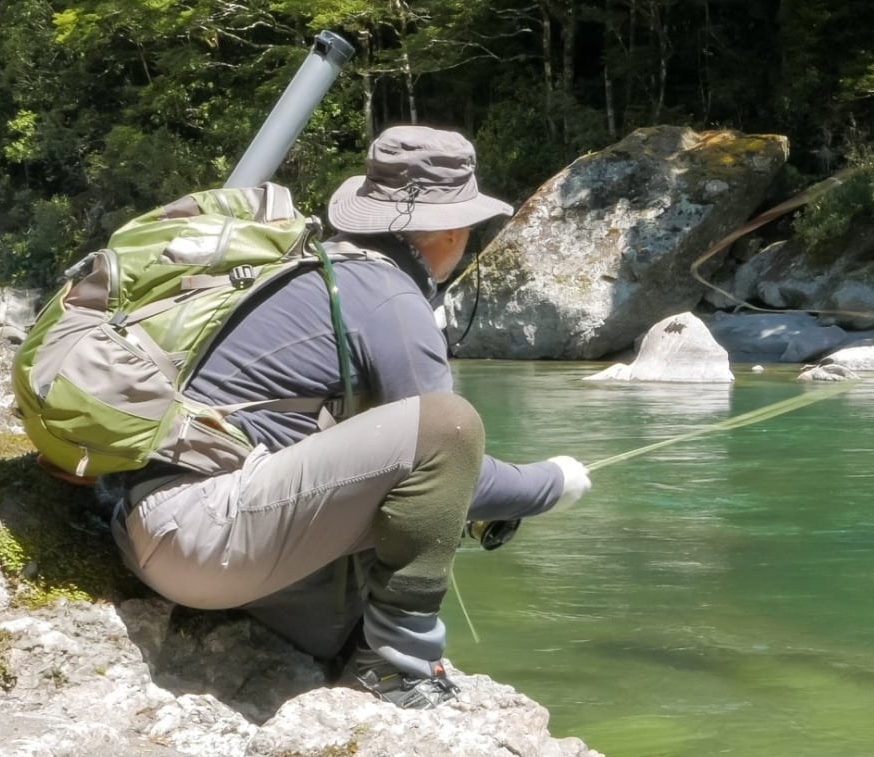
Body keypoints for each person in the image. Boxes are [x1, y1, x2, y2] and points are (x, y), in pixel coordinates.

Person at [110, 125, 591, 709]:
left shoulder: (322, 271)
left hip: (150, 525)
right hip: (200, 539)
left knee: (335, 632)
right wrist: (551, 483)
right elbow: (449, 454)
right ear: (448, 230)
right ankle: (392, 670)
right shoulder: (388, 298)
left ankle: (352, 655)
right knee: (450, 424)